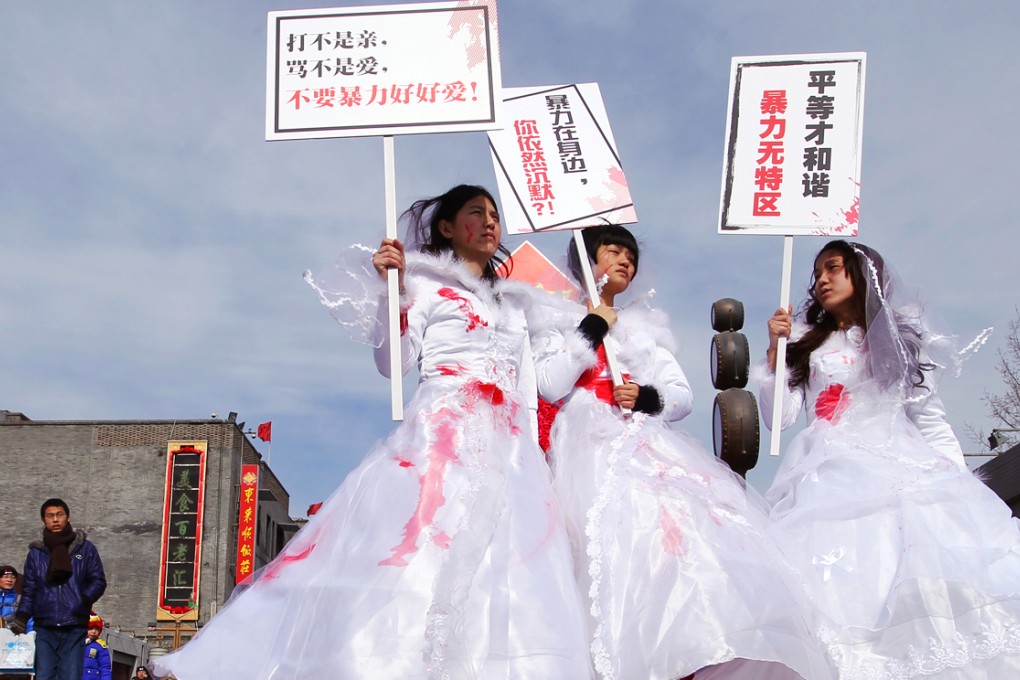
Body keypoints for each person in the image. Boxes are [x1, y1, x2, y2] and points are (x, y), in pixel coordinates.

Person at [155, 185, 591, 679]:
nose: (491, 223)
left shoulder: (516, 306)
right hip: (444, 433)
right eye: (477, 213)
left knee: (509, 570)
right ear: (447, 227)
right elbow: (394, 363)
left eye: (494, 215)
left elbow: (544, 386)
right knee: (417, 551)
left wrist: (588, 337)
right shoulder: (423, 285)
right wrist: (393, 293)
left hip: (510, 449)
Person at [531, 225, 835, 680]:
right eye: (611, 252)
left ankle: (686, 649)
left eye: (629, 256)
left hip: (642, 442)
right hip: (585, 446)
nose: (623, 262)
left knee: (673, 542)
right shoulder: (553, 320)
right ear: (585, 261)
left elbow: (681, 395)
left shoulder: (646, 327)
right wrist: (592, 328)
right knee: (600, 553)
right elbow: (549, 384)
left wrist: (647, 397)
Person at [761, 239, 1020, 678]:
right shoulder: (807, 344)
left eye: (834, 268)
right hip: (825, 474)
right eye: (818, 273)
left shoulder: (898, 343)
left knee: (915, 580)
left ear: (863, 276)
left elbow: (930, 418)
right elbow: (778, 418)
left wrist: (960, 483)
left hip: (898, 464)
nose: (822, 280)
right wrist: (776, 352)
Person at [5, 498, 106, 680]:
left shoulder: (85, 549)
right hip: (45, 624)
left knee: (70, 675)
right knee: (45, 675)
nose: (56, 520)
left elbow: (98, 581)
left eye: (60, 515)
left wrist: (82, 600)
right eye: (50, 516)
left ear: (68, 517)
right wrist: (21, 618)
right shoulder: (37, 553)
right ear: (44, 520)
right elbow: (29, 589)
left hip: (74, 623)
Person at [82, 614, 111, 680]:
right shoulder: (76, 643)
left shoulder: (100, 646)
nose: (94, 631)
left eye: (97, 629)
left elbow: (105, 668)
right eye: (91, 628)